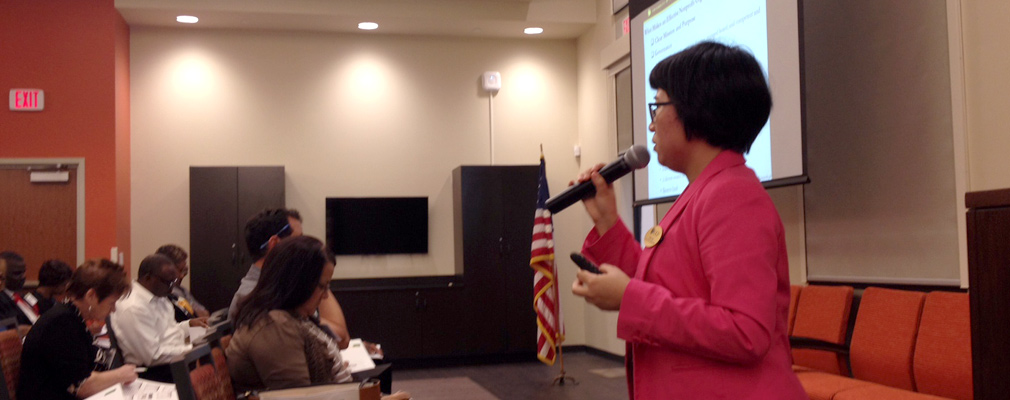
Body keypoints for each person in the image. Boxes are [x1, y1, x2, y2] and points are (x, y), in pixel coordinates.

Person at [570, 41, 806, 399]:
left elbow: (745, 331)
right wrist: (607, 221)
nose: (650, 124)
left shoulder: (732, 196)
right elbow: (664, 285)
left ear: (697, 108)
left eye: (658, 105)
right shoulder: (705, 190)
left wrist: (630, 298)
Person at [226, 236, 409, 400]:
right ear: (297, 283)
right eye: (322, 286)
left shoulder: (290, 318)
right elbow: (302, 398)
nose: (326, 296)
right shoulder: (274, 326)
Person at [227, 208, 352, 350]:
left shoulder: (285, 286)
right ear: (275, 245)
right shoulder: (255, 296)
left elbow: (341, 337)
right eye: (298, 240)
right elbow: (341, 339)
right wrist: (316, 275)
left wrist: (318, 276)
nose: (304, 248)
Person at [17, 259, 137, 400]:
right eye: (112, 303)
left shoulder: (71, 316)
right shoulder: (61, 323)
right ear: (91, 296)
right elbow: (81, 386)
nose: (114, 309)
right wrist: (120, 375)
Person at [109, 254, 207, 382]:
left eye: (174, 282)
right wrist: (192, 349)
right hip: (155, 372)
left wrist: (188, 326)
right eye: (168, 282)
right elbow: (153, 356)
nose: (172, 288)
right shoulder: (133, 306)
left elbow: (166, 331)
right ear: (148, 278)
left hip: (173, 361)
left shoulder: (159, 295)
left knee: (215, 347)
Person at [155, 244, 210, 320]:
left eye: (184, 270)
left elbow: (204, 314)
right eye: (179, 270)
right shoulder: (162, 294)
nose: (182, 276)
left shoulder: (181, 290)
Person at [0, 250, 40, 325]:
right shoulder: (2, 301)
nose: (22, 277)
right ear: (2, 275)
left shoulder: (23, 298)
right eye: (17, 273)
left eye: (23, 272)